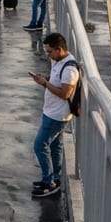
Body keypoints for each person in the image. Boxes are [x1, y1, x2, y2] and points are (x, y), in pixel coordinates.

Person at [30, 32, 79, 198]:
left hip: (57, 115)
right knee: (54, 146)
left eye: (50, 51)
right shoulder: (59, 61)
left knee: (39, 145)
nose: (48, 54)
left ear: (59, 49)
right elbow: (57, 81)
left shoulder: (70, 68)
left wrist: (45, 83)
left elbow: (65, 93)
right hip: (51, 111)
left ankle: (48, 181)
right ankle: (55, 178)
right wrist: (47, 78)